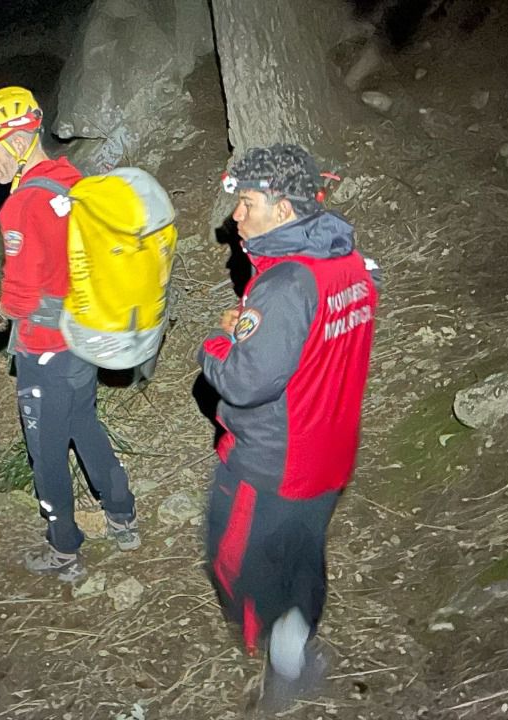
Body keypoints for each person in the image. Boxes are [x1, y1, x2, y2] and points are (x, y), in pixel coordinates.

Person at [199, 144, 380, 683]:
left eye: (247, 203)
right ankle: (302, 634)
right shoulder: (351, 265)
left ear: (282, 210)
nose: (235, 216)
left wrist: (216, 340)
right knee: (303, 553)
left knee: (235, 561)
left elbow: (244, 381)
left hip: (273, 462)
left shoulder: (283, 286)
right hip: (331, 453)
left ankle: (284, 663)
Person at [0, 86, 139, 583]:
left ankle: (65, 549)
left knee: (47, 451)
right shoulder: (70, 180)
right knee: (85, 426)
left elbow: (18, 299)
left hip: (45, 350)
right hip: (81, 338)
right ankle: (123, 516)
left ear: (19, 142)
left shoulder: (19, 207)